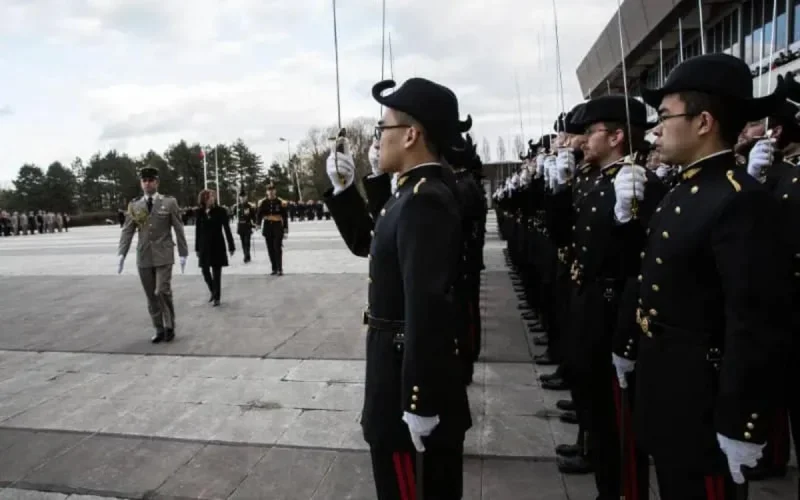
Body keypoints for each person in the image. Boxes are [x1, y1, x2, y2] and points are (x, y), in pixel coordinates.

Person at [627, 53, 793, 499]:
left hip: (704, 403)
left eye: (664, 116)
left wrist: (742, 423)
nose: (656, 129)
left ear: (703, 121)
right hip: (669, 389)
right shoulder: (684, 188)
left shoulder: (741, 200)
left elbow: (753, 322)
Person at [323, 77, 471, 499]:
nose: (376, 140)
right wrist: (344, 190)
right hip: (395, 369)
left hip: (407, 381)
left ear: (410, 134)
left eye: (381, 129)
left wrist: (419, 400)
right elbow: (369, 244)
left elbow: (427, 307)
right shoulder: (411, 192)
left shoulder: (425, 198)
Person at [118, 165, 189, 343]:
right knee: (151, 295)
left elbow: (178, 228)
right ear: (141, 183)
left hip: (164, 254)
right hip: (144, 256)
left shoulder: (169, 202)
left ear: (157, 182)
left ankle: (170, 325)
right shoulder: (135, 205)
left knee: (162, 290)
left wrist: (183, 252)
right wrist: (122, 254)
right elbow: (127, 231)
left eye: (151, 180)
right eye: (144, 181)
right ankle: (158, 328)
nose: (147, 184)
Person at [195, 189, 235, 306]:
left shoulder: (221, 211)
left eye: (213, 196)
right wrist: (197, 248)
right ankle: (213, 290)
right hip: (204, 245)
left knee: (217, 272)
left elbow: (226, 229)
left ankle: (217, 297)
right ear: (204, 199)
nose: (212, 198)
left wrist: (231, 245)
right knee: (205, 271)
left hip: (217, 244)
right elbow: (198, 230)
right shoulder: (199, 212)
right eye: (209, 197)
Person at [256, 183, 288, 275]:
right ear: (266, 192)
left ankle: (280, 268)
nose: (271, 192)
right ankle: (274, 267)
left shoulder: (280, 202)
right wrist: (258, 223)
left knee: (277, 247)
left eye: (272, 190)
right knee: (270, 248)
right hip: (267, 227)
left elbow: (285, 216)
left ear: (275, 191)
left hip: (277, 226)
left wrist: (285, 230)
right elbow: (259, 214)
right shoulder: (263, 202)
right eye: (269, 190)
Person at [235, 189, 256, 263]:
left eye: (243, 197)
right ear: (239, 198)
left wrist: (254, 225)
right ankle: (246, 255)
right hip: (241, 226)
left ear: (246, 197)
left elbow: (254, 217)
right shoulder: (237, 206)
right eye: (241, 197)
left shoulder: (249, 206)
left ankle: (246, 255)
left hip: (247, 226)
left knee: (247, 242)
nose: (242, 198)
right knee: (243, 242)